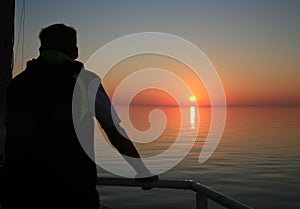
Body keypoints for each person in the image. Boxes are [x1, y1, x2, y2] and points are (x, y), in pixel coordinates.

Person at [0, 23, 158, 209]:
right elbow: (114, 131)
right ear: (74, 51)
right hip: (73, 192)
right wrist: (142, 171)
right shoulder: (86, 81)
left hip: (21, 193)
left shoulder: (16, 84)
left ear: (41, 49)